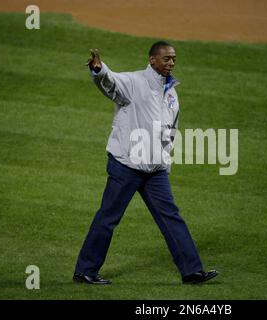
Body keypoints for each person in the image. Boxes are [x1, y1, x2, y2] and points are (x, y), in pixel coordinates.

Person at [73, 41, 218, 285]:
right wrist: (99, 70)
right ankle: (85, 270)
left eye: (173, 58)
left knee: (171, 217)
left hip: (155, 171)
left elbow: (170, 131)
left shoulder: (171, 92)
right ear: (152, 60)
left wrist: (165, 161)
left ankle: (192, 271)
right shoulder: (135, 83)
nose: (171, 62)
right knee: (108, 218)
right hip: (126, 166)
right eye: (166, 58)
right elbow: (111, 84)